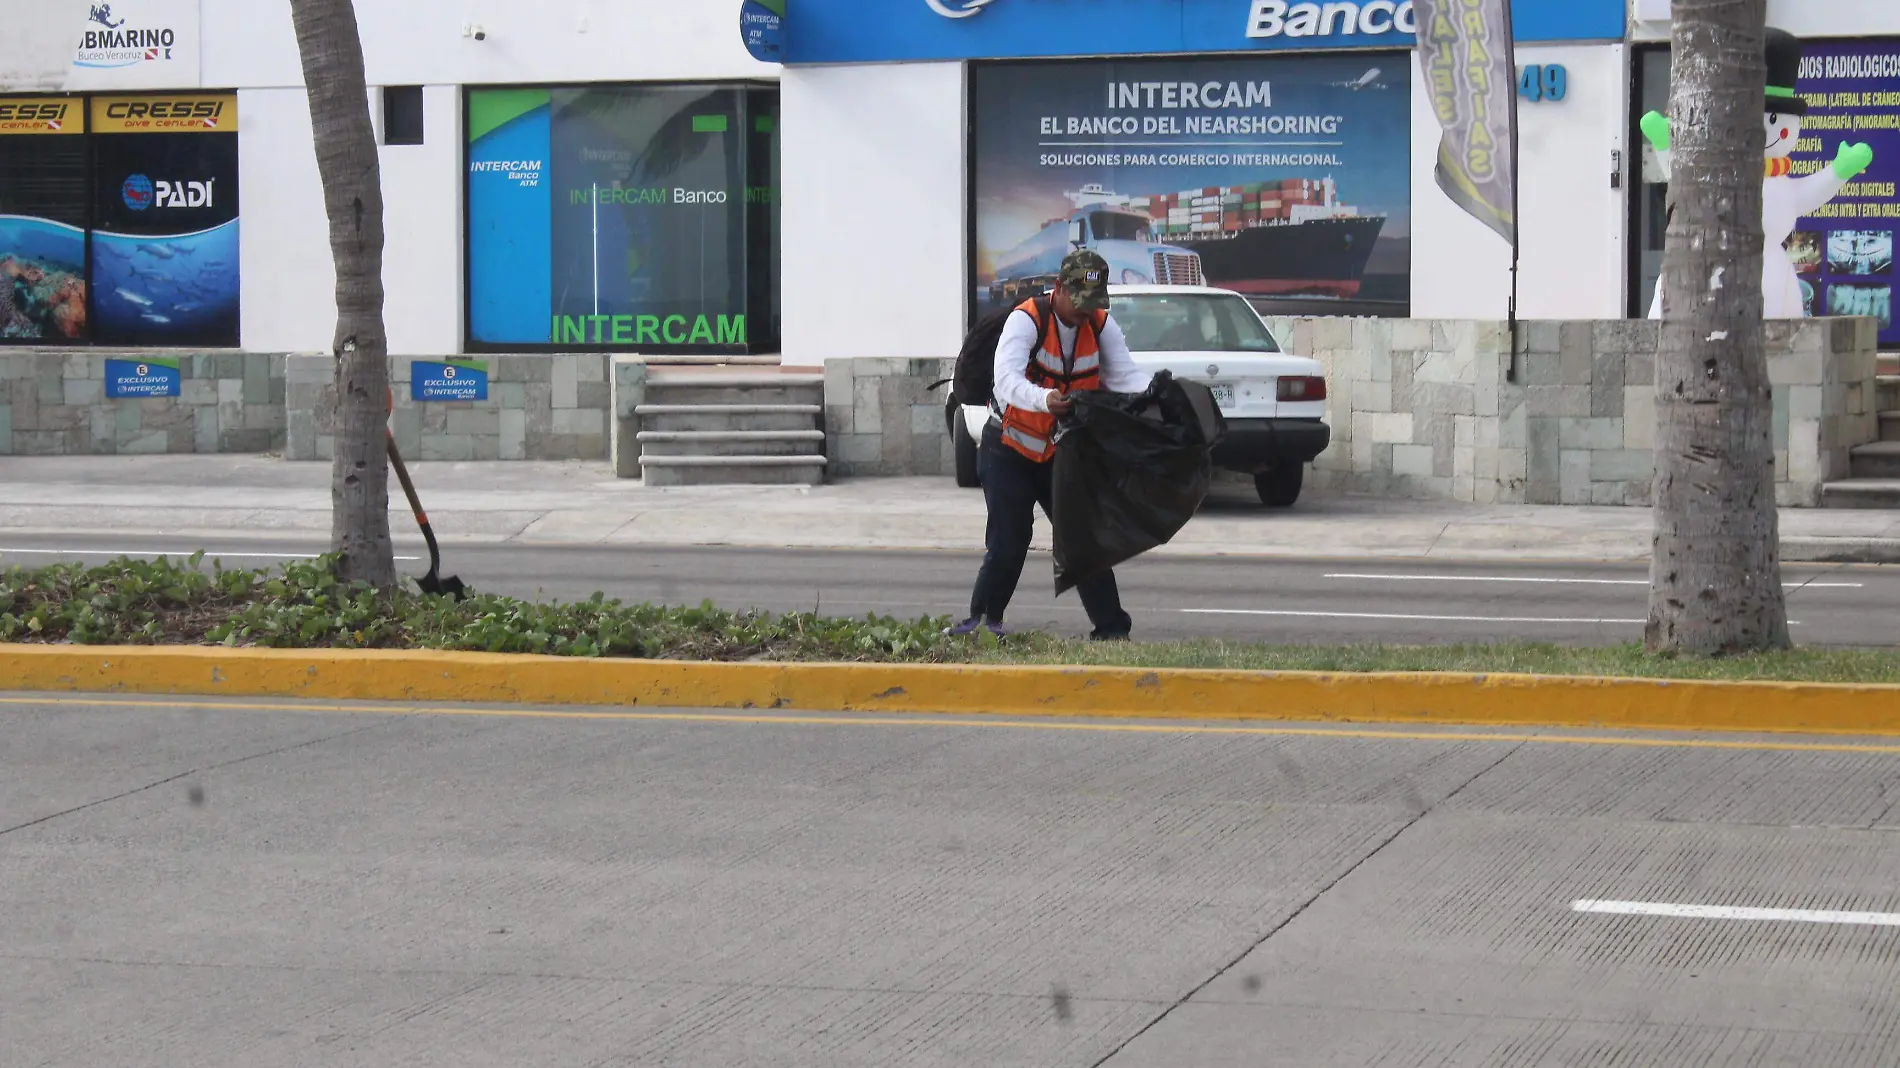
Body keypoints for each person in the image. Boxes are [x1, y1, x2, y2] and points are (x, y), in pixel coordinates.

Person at [949, 248, 1153, 641]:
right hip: (1008, 447)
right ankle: (983, 623)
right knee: (1010, 540)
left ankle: (1111, 631)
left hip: (1060, 452)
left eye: (1091, 303)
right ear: (1058, 288)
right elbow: (1006, 381)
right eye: (1077, 302)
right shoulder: (1025, 321)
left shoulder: (1100, 324)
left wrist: (1158, 394)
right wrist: (1045, 400)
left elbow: (1124, 377)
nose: (1083, 312)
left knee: (1084, 540)